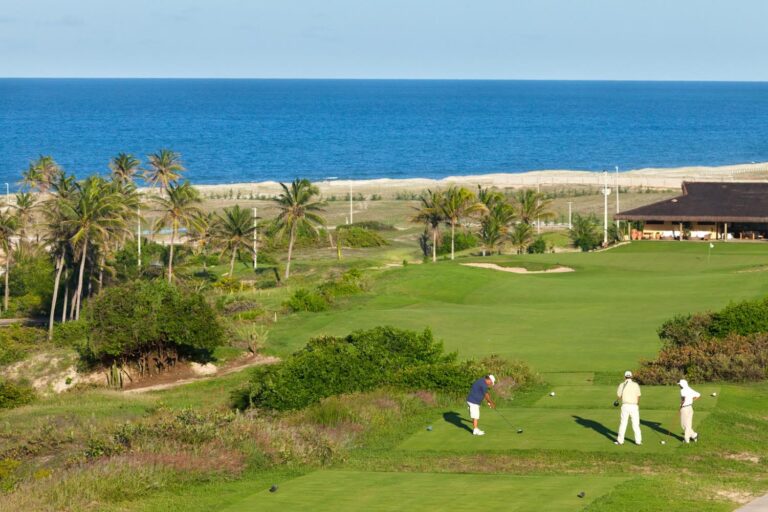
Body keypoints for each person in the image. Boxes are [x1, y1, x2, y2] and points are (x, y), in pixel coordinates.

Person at [615, 370, 642, 445]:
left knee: (623, 423)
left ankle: (620, 441)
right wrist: (637, 404)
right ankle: (638, 441)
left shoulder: (622, 385)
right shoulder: (636, 385)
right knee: (636, 424)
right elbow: (638, 396)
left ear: (625, 377)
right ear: (631, 376)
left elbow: (619, 396)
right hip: (634, 406)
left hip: (625, 406)